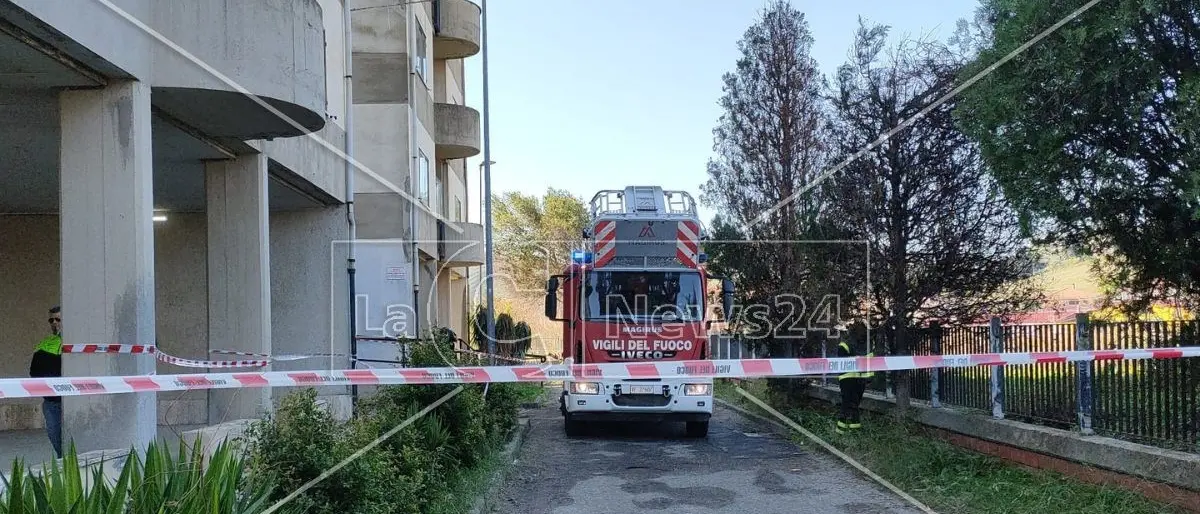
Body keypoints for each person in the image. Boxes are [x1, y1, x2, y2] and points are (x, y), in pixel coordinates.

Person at [29, 306, 64, 458]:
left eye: (58, 319)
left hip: (73, 400)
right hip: (51, 401)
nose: (54, 323)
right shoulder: (45, 343)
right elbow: (34, 371)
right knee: (54, 435)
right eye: (51, 320)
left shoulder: (75, 343)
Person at [835, 319, 874, 434]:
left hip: (847, 379)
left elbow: (840, 363)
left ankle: (842, 431)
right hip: (860, 380)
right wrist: (869, 378)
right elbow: (869, 363)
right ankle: (852, 431)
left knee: (848, 404)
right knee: (853, 405)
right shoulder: (866, 346)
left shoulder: (844, 344)